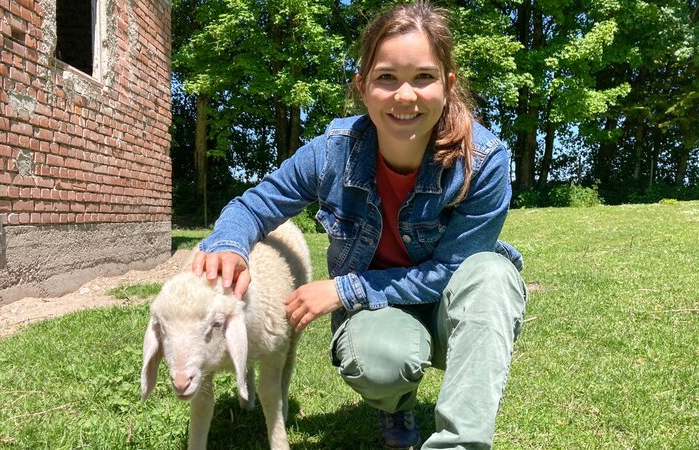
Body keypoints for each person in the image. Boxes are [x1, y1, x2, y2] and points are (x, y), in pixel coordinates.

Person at [191, 2, 527, 449]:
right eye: (386, 77)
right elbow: (253, 205)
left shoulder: (481, 162)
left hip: (452, 311)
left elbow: (450, 271)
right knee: (379, 361)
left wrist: (344, 290)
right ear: (362, 87)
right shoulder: (332, 152)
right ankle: (397, 405)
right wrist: (230, 244)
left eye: (423, 77)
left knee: (493, 274)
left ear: (447, 85)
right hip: (382, 317)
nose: (404, 96)